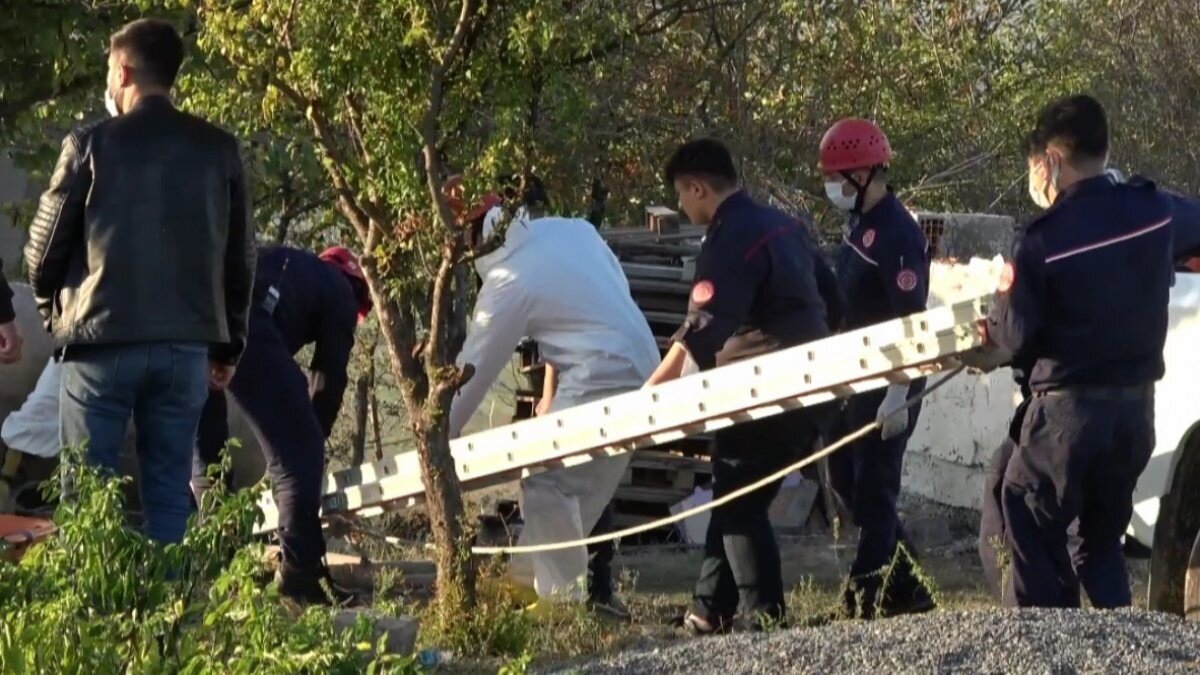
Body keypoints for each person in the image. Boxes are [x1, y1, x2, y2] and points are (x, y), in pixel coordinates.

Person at [23, 18, 255, 544]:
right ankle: (169, 596)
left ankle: (92, 598)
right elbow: (239, 258)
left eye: (109, 70)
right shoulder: (220, 149)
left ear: (123, 71)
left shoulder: (88, 143)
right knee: (169, 494)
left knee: (88, 496)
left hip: (99, 343)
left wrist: (53, 315)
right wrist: (229, 346)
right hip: (184, 348)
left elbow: (42, 250)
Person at [986, 96, 1200, 607]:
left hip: (1066, 419)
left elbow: (1013, 337)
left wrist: (990, 322)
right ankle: (1117, 641)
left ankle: (1044, 642)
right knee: (1099, 543)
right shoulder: (1154, 210)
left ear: (1051, 161)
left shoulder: (1041, 240)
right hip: (1134, 416)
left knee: (1026, 515)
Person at [644, 138, 837, 633]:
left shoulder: (729, 236)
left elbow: (701, 329)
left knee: (738, 506)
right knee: (736, 497)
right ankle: (708, 609)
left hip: (764, 390)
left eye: (681, 195)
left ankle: (765, 618)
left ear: (697, 187)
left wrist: (651, 395)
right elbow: (833, 300)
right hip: (814, 385)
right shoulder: (785, 225)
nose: (681, 206)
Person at [447, 174, 660, 611]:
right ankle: (525, 582)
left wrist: (435, 435)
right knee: (577, 492)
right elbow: (593, 303)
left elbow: (472, 372)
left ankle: (558, 603)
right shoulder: (571, 230)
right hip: (641, 359)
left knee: (549, 479)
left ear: (471, 237)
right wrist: (553, 391)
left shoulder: (507, 280)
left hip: (603, 372)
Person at [193, 245, 371, 604]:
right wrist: (312, 436)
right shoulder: (340, 288)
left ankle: (221, 567)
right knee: (298, 452)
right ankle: (300, 574)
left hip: (196, 324)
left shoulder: (288, 264)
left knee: (210, 456)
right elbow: (329, 379)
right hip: (246, 327)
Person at [818, 118, 935, 619]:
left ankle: (862, 598)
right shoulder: (859, 224)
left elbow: (912, 322)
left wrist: (898, 393)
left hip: (890, 378)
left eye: (836, 176)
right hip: (855, 375)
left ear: (863, 173)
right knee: (847, 481)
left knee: (874, 491)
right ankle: (909, 586)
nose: (831, 186)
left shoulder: (897, 234)